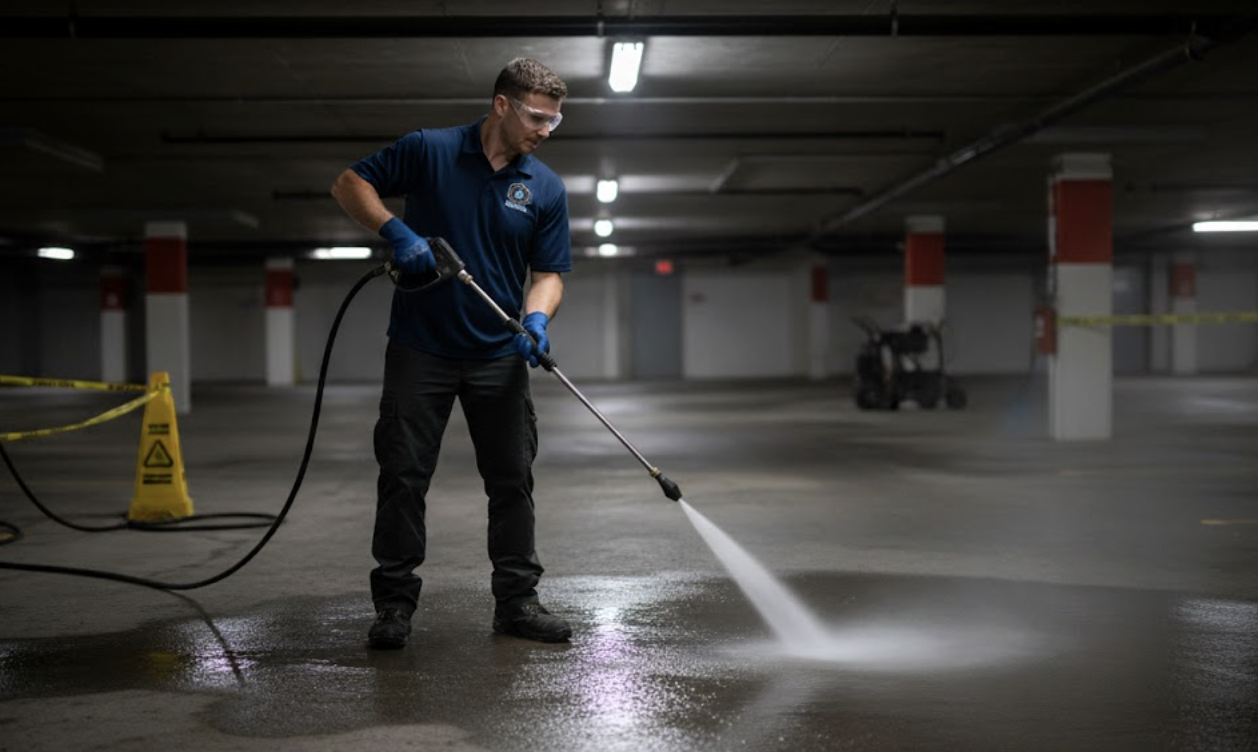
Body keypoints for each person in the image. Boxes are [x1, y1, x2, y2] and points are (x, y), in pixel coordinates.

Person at [329, 58, 573, 649]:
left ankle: (517, 603)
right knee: (404, 476)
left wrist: (537, 318)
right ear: (502, 105)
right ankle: (393, 606)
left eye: (555, 121)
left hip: (499, 354)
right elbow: (349, 184)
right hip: (421, 349)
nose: (545, 130)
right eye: (537, 117)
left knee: (511, 480)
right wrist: (396, 231)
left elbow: (548, 274)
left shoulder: (544, 187)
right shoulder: (429, 150)